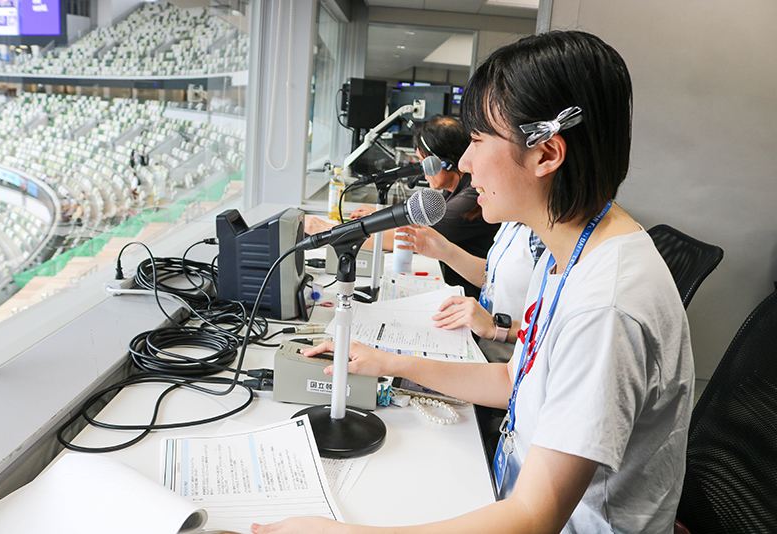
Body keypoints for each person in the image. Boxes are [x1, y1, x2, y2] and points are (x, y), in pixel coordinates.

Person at [253, 30, 694, 534]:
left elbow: (535, 517)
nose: (463, 163)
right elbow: (516, 384)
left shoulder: (606, 306)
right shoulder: (571, 254)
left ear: (546, 154)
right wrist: (388, 364)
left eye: (479, 141)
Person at [306, 115, 501, 299]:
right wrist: (379, 214)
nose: (423, 171)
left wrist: (327, 231)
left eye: (424, 162)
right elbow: (414, 222)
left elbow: (403, 237)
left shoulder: (472, 198)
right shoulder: (455, 189)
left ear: (446, 162)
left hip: (470, 301)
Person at [398, 220, 545, 362]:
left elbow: (552, 326)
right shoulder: (512, 222)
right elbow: (497, 276)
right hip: (482, 347)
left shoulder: (548, 239)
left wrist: (498, 327)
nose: (479, 192)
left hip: (510, 362)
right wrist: (446, 252)